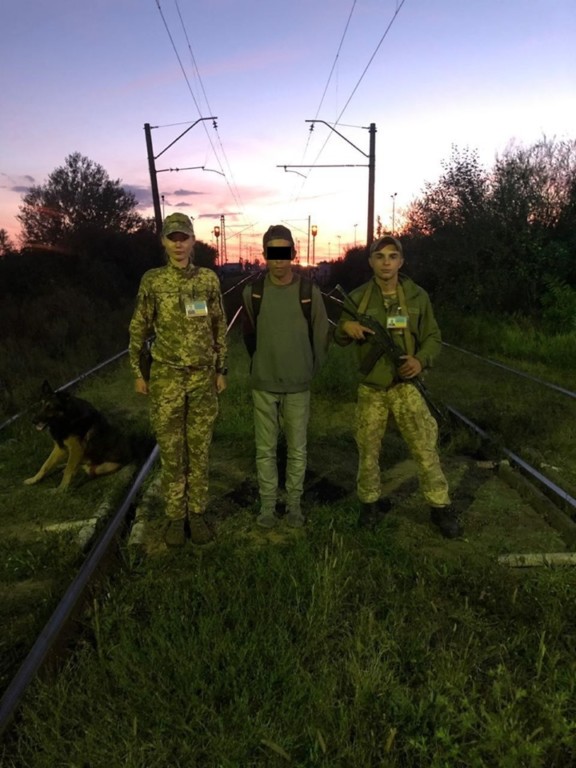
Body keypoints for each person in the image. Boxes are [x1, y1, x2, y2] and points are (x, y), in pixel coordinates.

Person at [334, 235, 462, 538]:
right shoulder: (358, 298)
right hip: (372, 389)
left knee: (425, 448)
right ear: (371, 262)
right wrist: (346, 327)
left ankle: (440, 507)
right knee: (368, 450)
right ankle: (369, 504)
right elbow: (339, 336)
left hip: (407, 386)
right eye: (380, 257)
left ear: (401, 261)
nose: (386, 262)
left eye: (393, 256)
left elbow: (433, 336)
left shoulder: (417, 296)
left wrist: (420, 360)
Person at [129, 212, 228, 547]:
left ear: (193, 240)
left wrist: (221, 370)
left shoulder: (208, 280)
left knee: (199, 450)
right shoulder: (153, 281)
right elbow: (138, 327)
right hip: (166, 378)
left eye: (184, 236)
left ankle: (196, 514)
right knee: (172, 452)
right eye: (172, 237)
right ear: (164, 242)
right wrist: (138, 374)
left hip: (202, 378)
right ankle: (175, 517)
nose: (179, 243)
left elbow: (219, 327)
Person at [242, 224, 330, 528]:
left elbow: (321, 332)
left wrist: (310, 368)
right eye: (272, 253)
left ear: (293, 253)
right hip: (264, 384)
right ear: (265, 255)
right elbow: (250, 334)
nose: (278, 260)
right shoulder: (252, 292)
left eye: (284, 253)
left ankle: (293, 505)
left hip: (298, 384)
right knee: (264, 450)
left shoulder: (309, 292)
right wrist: (261, 365)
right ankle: (267, 507)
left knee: (297, 449)